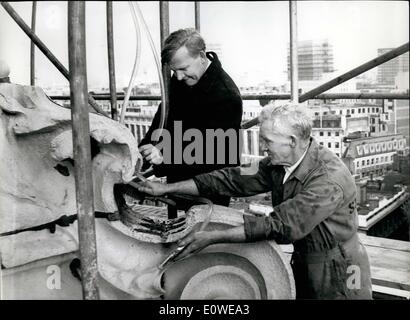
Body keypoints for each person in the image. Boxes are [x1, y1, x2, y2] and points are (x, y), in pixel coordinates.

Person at [137, 103, 373, 299]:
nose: (262, 147)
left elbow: (280, 225)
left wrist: (212, 237)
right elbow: (232, 178)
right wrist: (166, 188)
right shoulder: (275, 165)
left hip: (340, 269)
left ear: (291, 141)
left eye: (267, 141)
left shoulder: (328, 181)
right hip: (306, 260)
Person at [138, 28, 243, 216]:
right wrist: (147, 146)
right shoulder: (185, 76)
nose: (178, 77)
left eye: (183, 69)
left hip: (208, 191)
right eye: (173, 71)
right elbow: (164, 115)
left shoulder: (226, 96)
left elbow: (212, 155)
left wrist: (163, 157)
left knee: (202, 239)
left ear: (202, 56)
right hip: (177, 183)